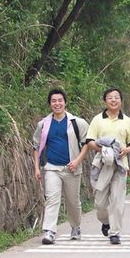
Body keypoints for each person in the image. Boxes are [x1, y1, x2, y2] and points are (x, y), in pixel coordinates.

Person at [33, 88, 90, 245]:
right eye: (53, 101)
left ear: (65, 102)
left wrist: (77, 161)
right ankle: (49, 231)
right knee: (51, 199)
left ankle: (75, 226)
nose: (57, 103)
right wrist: (37, 168)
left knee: (73, 202)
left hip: (71, 168)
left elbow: (87, 144)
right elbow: (36, 147)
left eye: (60, 100)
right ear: (50, 104)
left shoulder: (77, 123)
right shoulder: (43, 124)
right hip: (51, 167)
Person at [86, 88, 130, 245]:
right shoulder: (97, 120)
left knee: (117, 199)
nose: (113, 100)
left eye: (116, 97)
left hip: (120, 165)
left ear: (121, 101)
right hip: (102, 164)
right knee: (100, 202)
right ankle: (105, 222)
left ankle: (115, 233)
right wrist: (102, 149)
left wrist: (126, 150)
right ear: (105, 101)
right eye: (110, 98)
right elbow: (90, 141)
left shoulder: (127, 121)